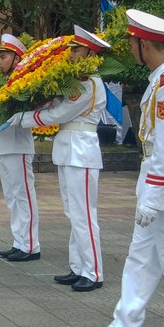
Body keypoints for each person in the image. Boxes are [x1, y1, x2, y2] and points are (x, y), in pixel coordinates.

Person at [82, 9, 164, 327]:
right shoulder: (159, 80)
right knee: (140, 259)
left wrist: (154, 196)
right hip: (156, 186)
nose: (130, 49)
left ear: (144, 44)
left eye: (132, 43)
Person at [9, 26, 108, 289]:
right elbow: (55, 108)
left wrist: (24, 118)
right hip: (69, 150)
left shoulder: (88, 83)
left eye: (76, 49)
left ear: (90, 52)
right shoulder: (76, 80)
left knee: (84, 214)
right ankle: (79, 267)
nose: (72, 53)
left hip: (81, 152)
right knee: (73, 212)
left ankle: (93, 272)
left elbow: (60, 114)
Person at [0, 34, 41, 262]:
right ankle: (19, 241)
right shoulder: (3, 83)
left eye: (3, 57)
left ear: (16, 58)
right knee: (11, 196)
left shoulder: (25, 82)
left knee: (23, 196)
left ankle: (31, 245)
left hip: (18, 146)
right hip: (3, 144)